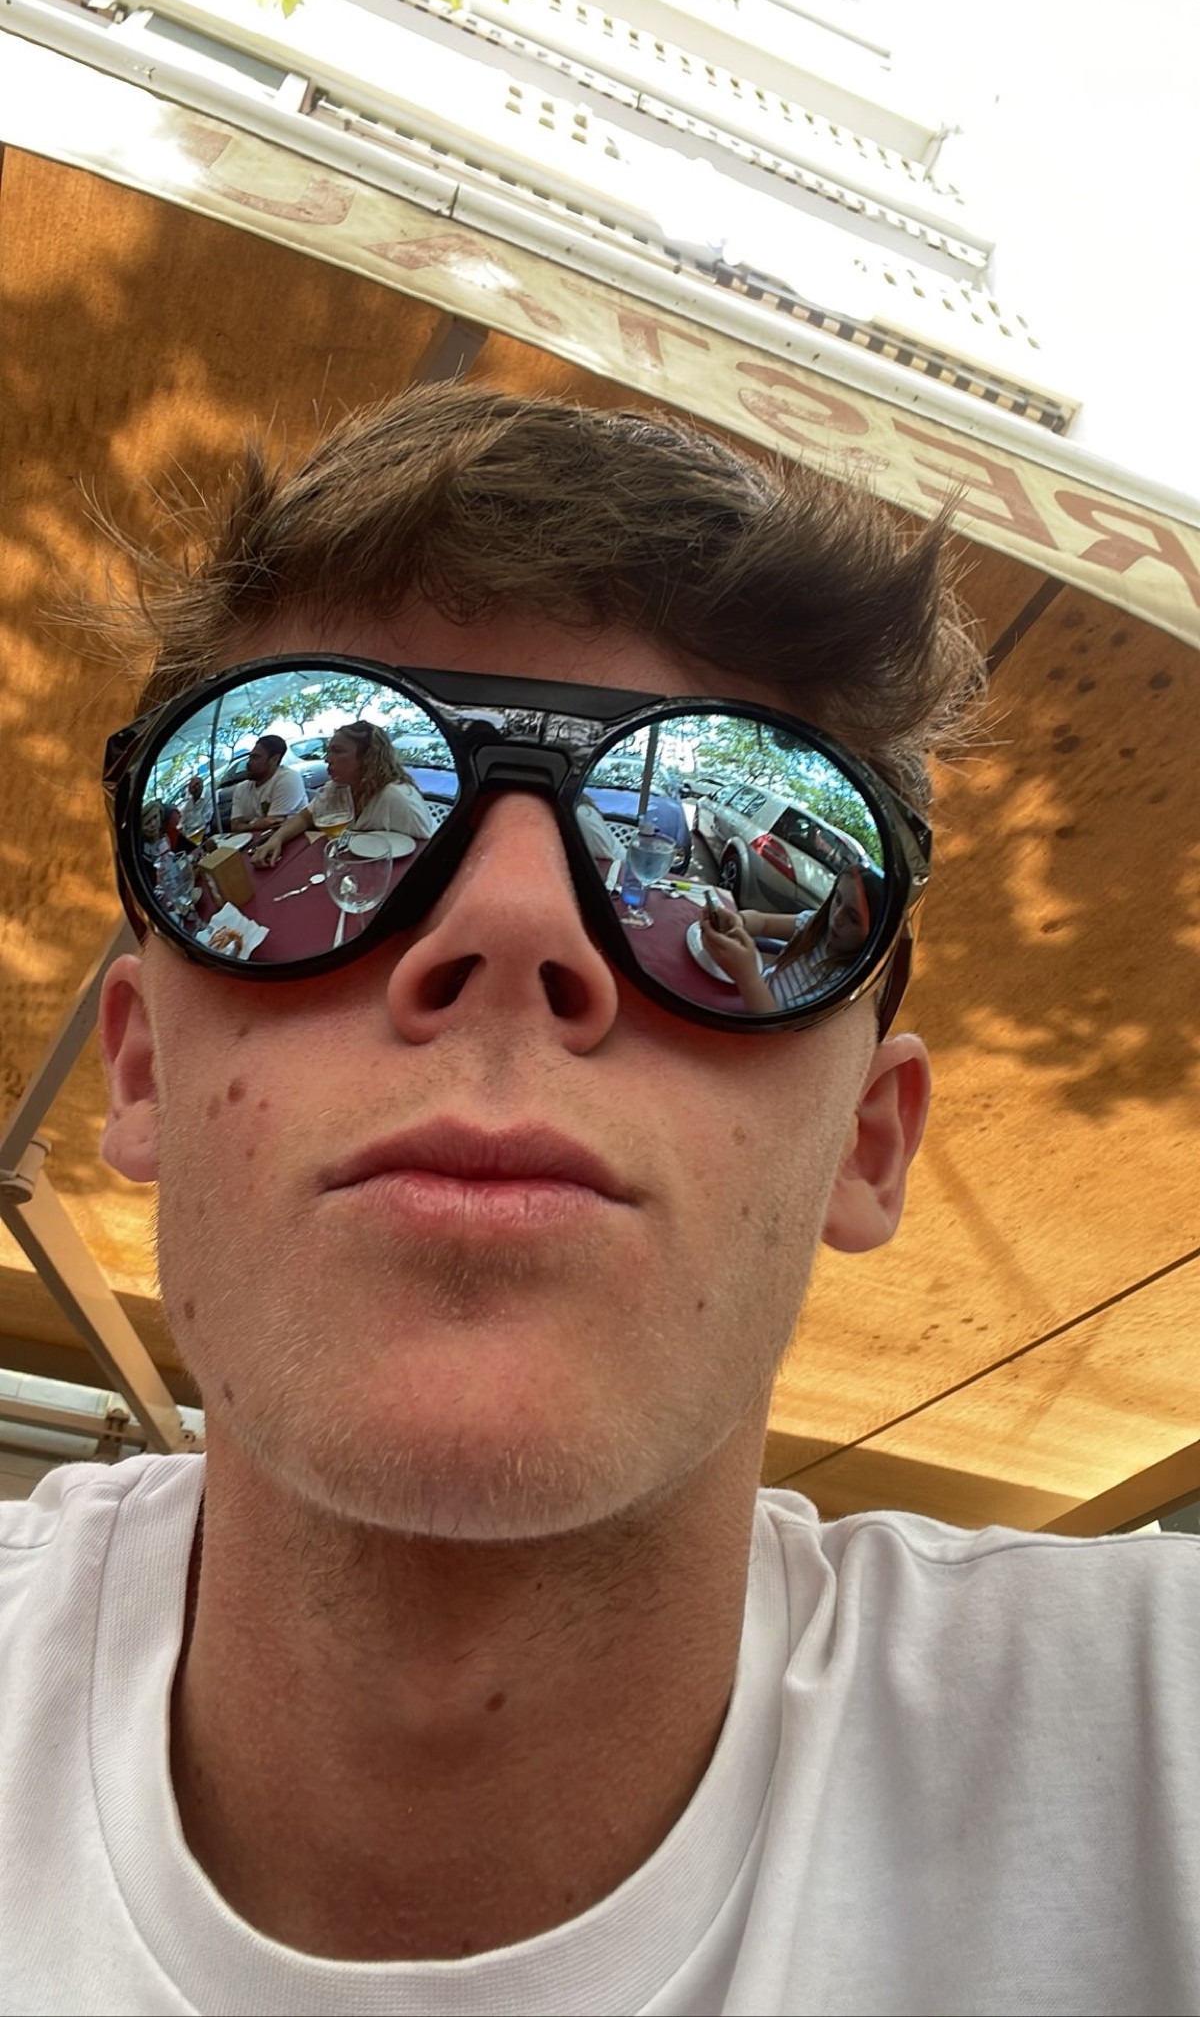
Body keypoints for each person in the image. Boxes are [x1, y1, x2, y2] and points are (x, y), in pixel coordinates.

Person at [4, 385, 1199, 2017]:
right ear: (137, 1072)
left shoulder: (1152, 1749)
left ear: (870, 1141)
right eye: (303, 814)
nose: (512, 924)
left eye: (728, 841)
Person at [701, 865, 878, 1013]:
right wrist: (738, 921)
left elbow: (773, 1028)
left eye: (853, 918)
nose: (837, 917)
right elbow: (764, 923)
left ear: (873, 937)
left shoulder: (843, 984)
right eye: (838, 899)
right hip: (742, 997)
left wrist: (747, 977)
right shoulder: (814, 926)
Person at [255, 721, 434, 863]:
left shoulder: (395, 797)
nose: (327, 759)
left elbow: (429, 849)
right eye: (328, 751)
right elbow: (305, 817)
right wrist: (276, 839)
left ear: (367, 757)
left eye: (337, 751)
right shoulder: (336, 788)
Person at [228, 733, 307, 833]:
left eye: (255, 757)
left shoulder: (288, 778)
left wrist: (247, 825)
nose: (248, 763)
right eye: (250, 757)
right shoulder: (241, 788)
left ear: (274, 759)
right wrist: (256, 824)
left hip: (295, 838)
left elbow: (273, 825)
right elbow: (235, 826)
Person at [178, 774, 211, 846]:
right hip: (190, 836)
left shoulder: (209, 795)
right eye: (192, 787)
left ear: (201, 783)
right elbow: (182, 820)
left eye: (197, 784)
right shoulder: (189, 804)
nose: (195, 788)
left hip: (204, 833)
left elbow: (207, 818)